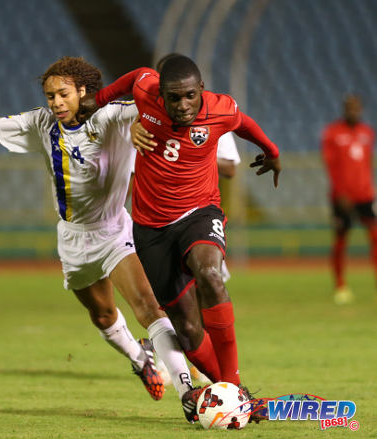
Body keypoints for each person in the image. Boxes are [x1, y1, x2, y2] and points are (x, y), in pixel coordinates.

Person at [0, 56, 198, 418]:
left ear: (82, 91)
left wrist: (139, 124)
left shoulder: (112, 114)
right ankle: (139, 357)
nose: (55, 102)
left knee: (148, 307)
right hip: (72, 239)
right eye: (50, 95)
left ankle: (188, 394)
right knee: (102, 316)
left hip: (115, 230)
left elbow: (159, 106)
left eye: (63, 94)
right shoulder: (41, 122)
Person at [78, 54, 281, 422]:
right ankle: (235, 394)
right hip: (151, 229)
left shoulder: (220, 108)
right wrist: (100, 101)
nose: (182, 105)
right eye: (174, 98)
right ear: (162, 94)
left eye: (189, 96)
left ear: (201, 89)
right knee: (186, 328)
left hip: (199, 213)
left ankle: (234, 389)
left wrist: (272, 151)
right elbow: (121, 87)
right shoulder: (145, 87)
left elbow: (244, 123)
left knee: (210, 275)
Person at [321, 94, 376, 305]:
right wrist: (340, 191)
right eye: (349, 107)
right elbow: (330, 165)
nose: (353, 111)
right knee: (341, 241)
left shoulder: (367, 132)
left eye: (356, 107)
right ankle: (340, 285)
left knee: (374, 238)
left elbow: (367, 164)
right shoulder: (332, 133)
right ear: (344, 109)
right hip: (342, 197)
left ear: (360, 109)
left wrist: (370, 188)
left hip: (365, 195)